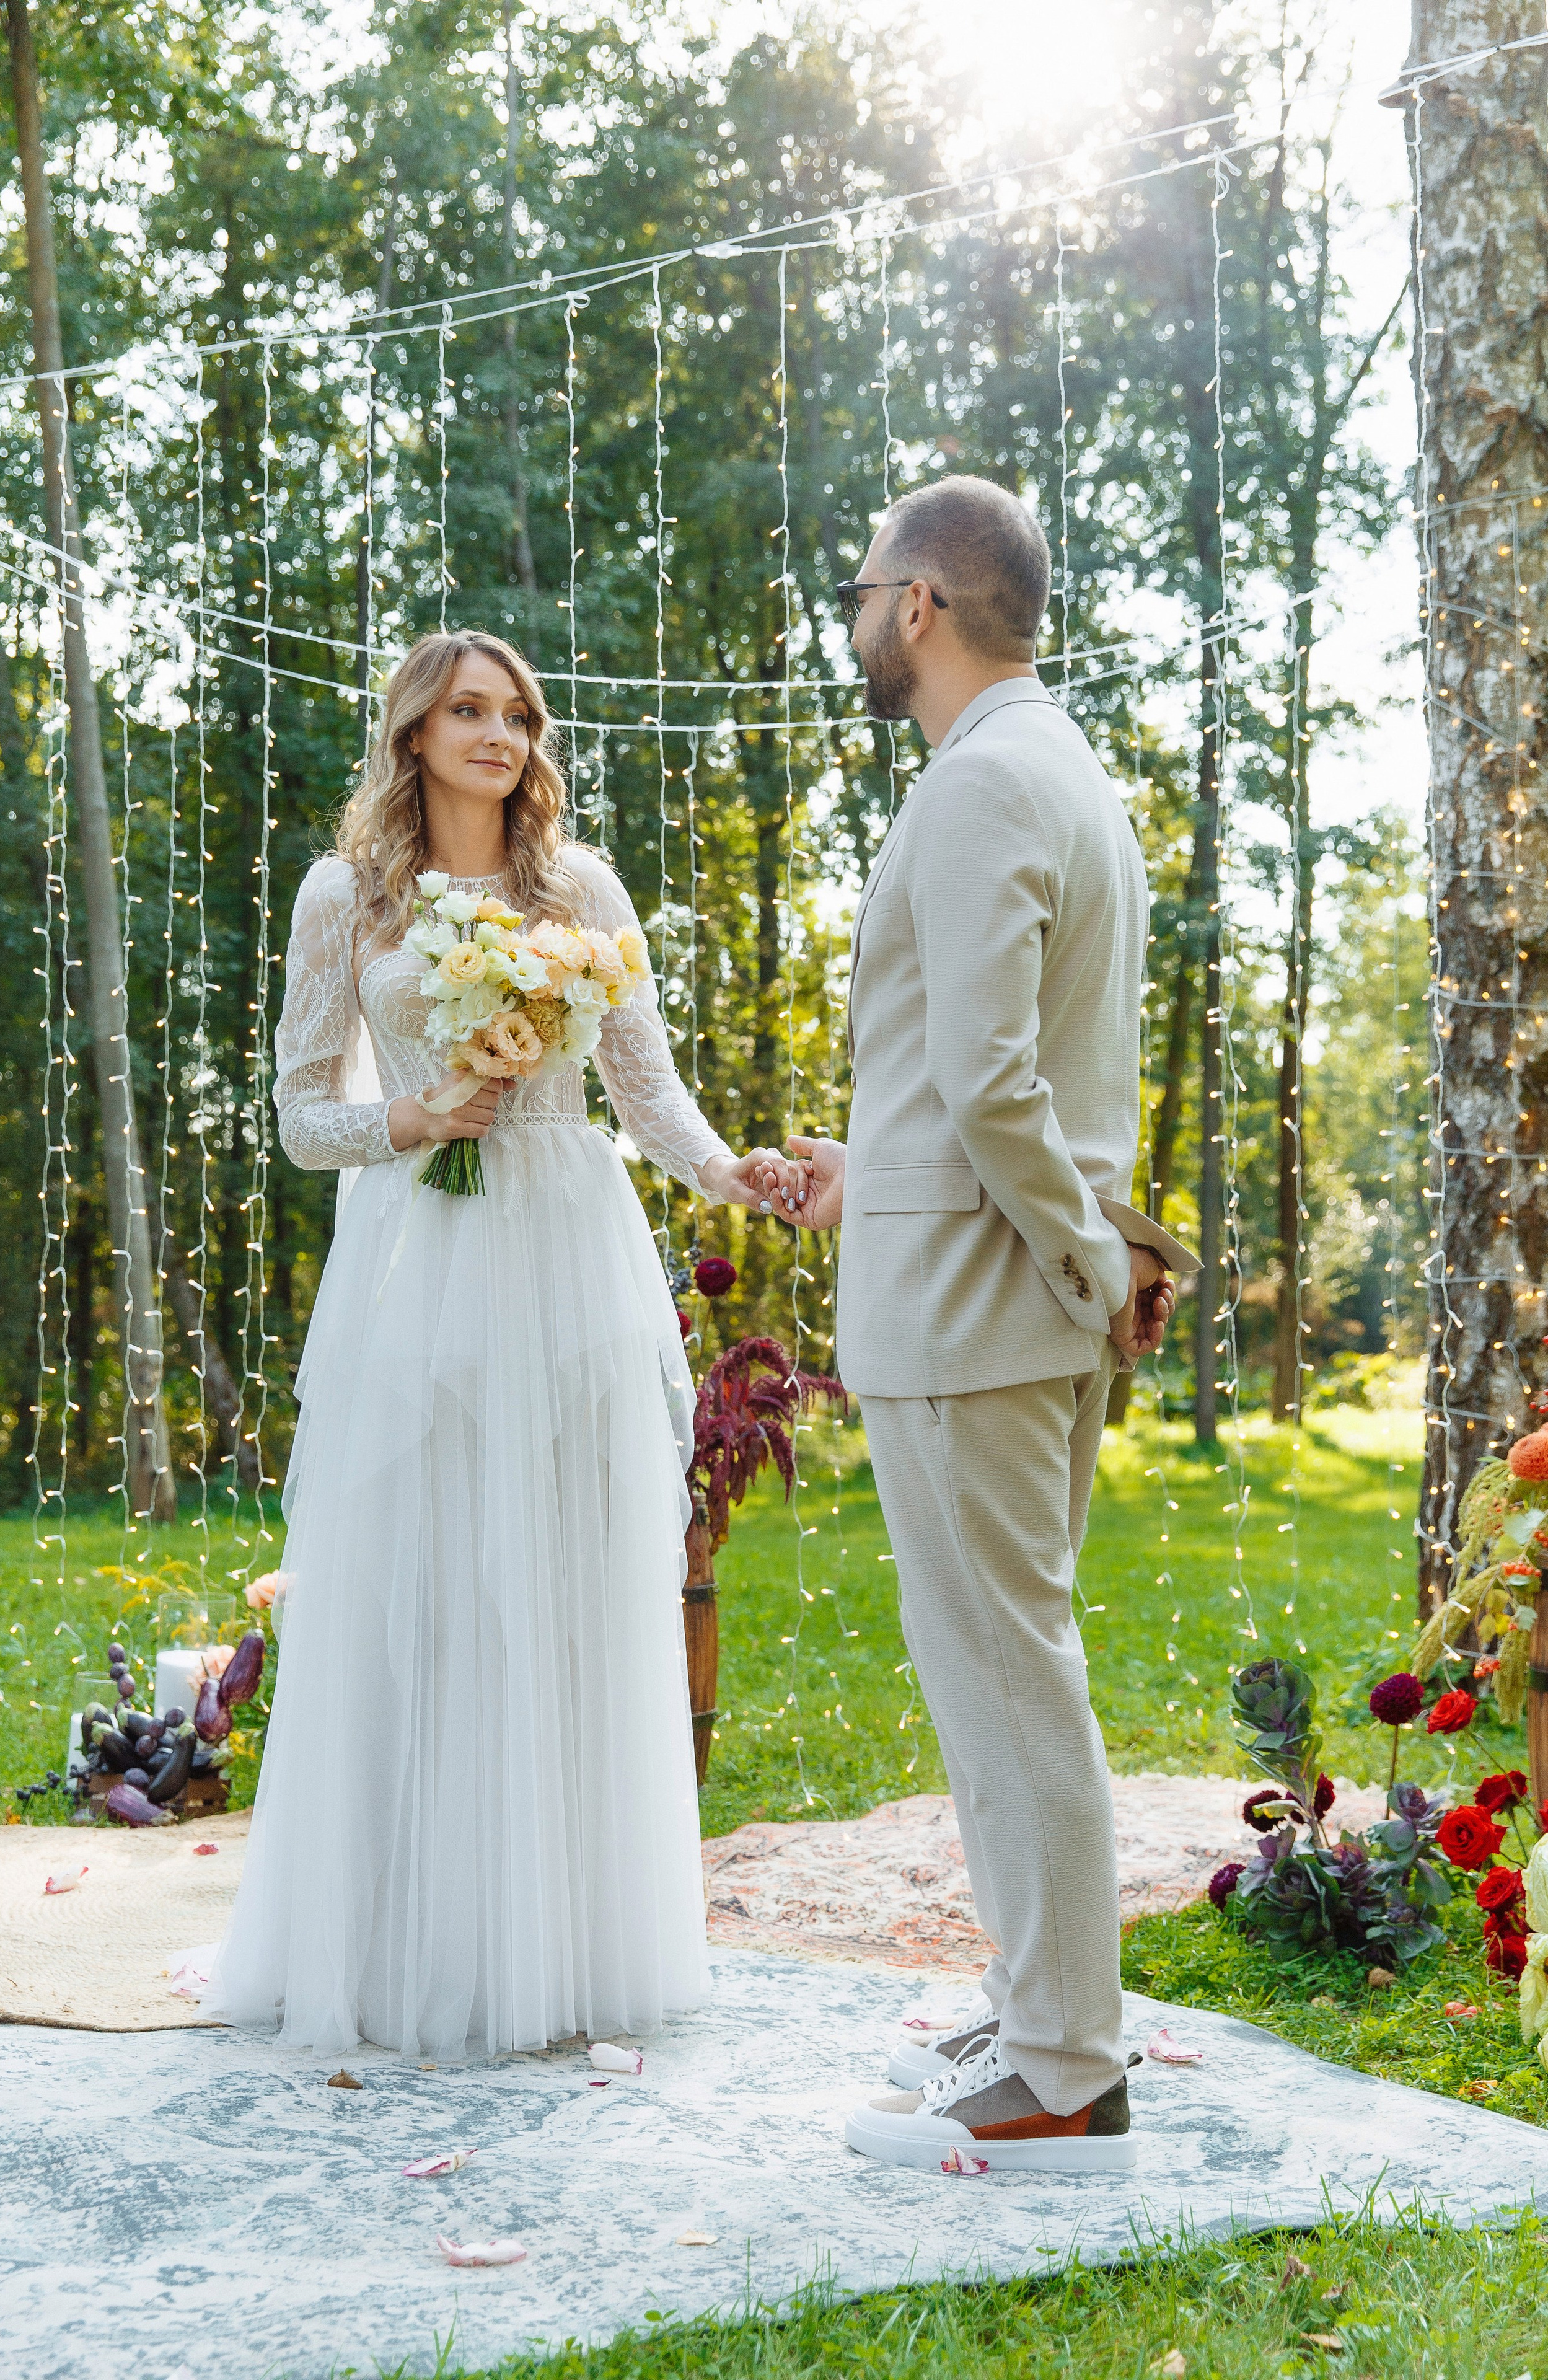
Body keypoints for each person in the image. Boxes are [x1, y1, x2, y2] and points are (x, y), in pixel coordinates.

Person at [203, 630, 805, 2058]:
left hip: (563, 1249)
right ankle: (411, 1933)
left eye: (517, 715)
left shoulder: (578, 888)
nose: (499, 735)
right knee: (429, 1568)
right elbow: (299, 1113)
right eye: (468, 712)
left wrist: (735, 1174)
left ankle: (564, 1941)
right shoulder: (346, 895)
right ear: (414, 733)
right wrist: (408, 1118)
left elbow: (644, 1090)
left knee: (560, 1570)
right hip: (420, 1255)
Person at [789, 477, 1197, 2173]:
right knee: (1002, 1680)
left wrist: (1094, 1268)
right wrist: (856, 1171)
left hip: (983, 1308)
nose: (857, 614)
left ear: (927, 605)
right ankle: (1043, 2009)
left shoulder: (980, 788)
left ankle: (1060, 2073)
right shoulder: (1064, 768)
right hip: (998, 1278)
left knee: (1011, 1686)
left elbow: (993, 1077)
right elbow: (982, 1086)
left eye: (866, 586)